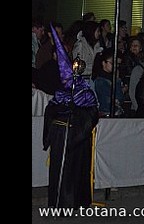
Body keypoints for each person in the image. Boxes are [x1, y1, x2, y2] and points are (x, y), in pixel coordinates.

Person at [42, 23, 99, 209]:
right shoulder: (60, 93)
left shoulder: (85, 93)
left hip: (75, 135)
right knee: (58, 169)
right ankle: (58, 203)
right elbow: (50, 111)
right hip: (61, 134)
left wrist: (78, 123)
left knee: (72, 169)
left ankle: (70, 203)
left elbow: (92, 114)